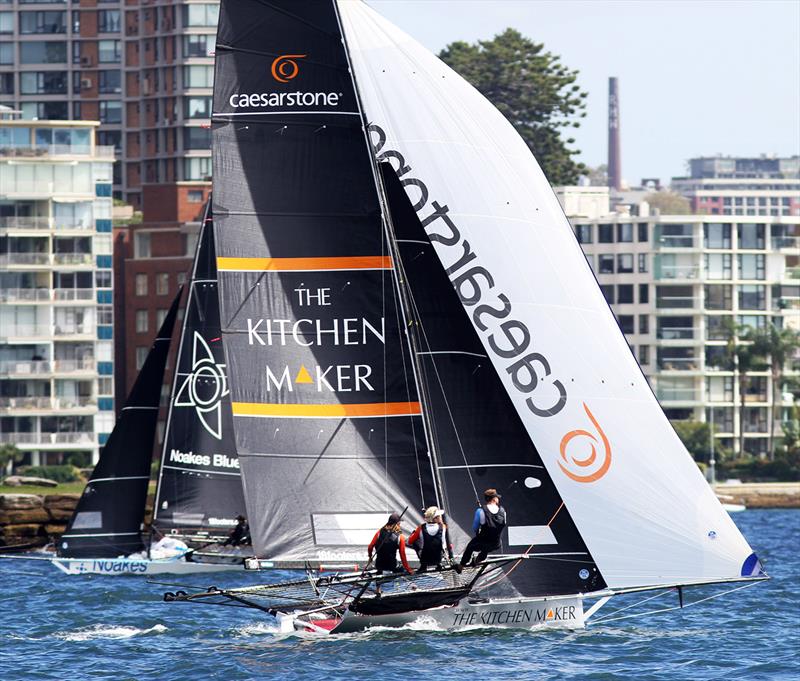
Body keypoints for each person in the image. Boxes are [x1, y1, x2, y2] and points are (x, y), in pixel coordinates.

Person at [460, 488, 507, 567]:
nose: (498, 499)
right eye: (497, 497)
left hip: (482, 542)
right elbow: (502, 524)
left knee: (470, 547)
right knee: (486, 549)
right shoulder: (503, 511)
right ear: (494, 499)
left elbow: (475, 528)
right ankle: (477, 560)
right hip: (496, 544)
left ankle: (461, 565)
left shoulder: (480, 511)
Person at [407, 506, 454, 572]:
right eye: (439, 516)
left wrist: (414, 534)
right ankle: (439, 564)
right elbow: (449, 545)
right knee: (444, 543)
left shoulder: (421, 528)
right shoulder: (444, 527)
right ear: (435, 518)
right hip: (438, 558)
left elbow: (409, 541)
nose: (441, 517)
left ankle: (423, 566)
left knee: (415, 542)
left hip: (425, 558)